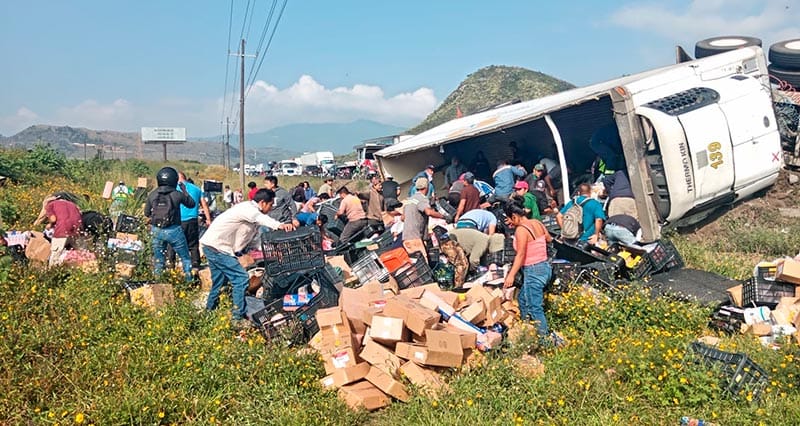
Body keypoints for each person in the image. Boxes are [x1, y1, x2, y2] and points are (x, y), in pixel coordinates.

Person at [201, 189, 294, 329]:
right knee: (241, 279)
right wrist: (279, 225)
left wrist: (272, 252)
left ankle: (208, 312)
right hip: (218, 247)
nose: (271, 208)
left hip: (215, 246)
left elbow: (254, 242)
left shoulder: (253, 217)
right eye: (270, 205)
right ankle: (237, 317)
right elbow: (259, 218)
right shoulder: (248, 209)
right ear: (262, 203)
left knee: (219, 282)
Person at [503, 201, 558, 344]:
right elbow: (548, 239)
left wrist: (511, 275)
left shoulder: (521, 230)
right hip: (545, 267)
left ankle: (544, 342)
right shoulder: (537, 223)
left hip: (533, 269)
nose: (508, 222)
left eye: (509, 218)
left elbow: (520, 255)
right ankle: (527, 331)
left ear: (515, 216)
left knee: (535, 307)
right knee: (522, 299)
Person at [144, 167, 196, 282]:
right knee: (185, 258)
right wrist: (184, 190)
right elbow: (191, 204)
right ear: (174, 180)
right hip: (174, 230)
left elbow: (146, 213)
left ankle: (159, 283)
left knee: (159, 260)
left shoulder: (152, 195)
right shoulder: (177, 194)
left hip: (156, 230)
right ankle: (189, 281)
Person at [167, 171, 212, 273]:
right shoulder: (196, 189)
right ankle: (195, 264)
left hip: (178, 221)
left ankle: (171, 263)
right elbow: (204, 205)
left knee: (172, 243)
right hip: (192, 221)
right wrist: (208, 219)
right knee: (193, 244)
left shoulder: (174, 189)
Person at [402, 177, 444, 255]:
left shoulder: (410, 200)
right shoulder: (422, 198)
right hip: (415, 237)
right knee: (424, 263)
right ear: (426, 187)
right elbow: (428, 212)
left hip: (406, 237)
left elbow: (402, 218)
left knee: (416, 264)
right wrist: (442, 216)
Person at [43, 197, 83, 267]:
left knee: (56, 253)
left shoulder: (50, 205)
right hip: (77, 228)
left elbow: (53, 219)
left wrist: (50, 224)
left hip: (63, 229)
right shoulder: (72, 204)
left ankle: (52, 271)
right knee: (79, 252)